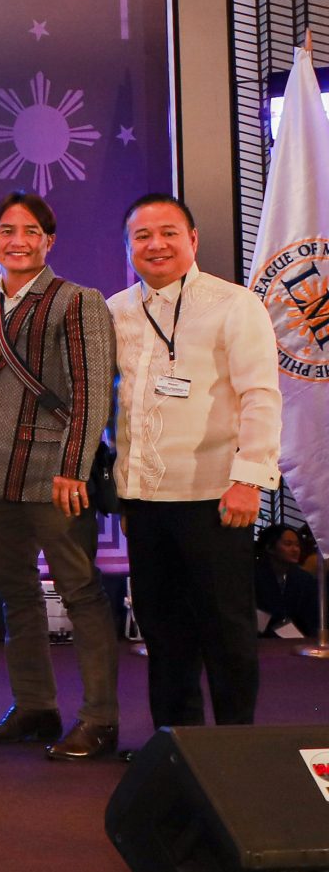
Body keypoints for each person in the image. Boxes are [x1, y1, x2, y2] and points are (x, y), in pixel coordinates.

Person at [108, 193, 281, 728]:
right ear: (128, 246)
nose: (155, 244)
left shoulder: (234, 305)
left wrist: (248, 480)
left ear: (193, 240)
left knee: (226, 631)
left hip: (215, 495)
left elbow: (260, 395)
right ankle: (176, 742)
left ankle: (235, 747)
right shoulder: (115, 310)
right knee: (163, 632)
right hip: (145, 499)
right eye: (142, 236)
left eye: (168, 232)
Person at [0, 191, 121, 762]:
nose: (18, 240)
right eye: (7, 231)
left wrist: (74, 468)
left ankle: (99, 719)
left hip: (55, 474)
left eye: (31, 231)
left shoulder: (78, 301)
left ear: (48, 241)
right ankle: (34, 707)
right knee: (14, 596)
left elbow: (92, 392)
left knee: (80, 594)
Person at [255, 524, 321, 639]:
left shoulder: (305, 579)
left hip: (300, 640)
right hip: (262, 639)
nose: (295, 550)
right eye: (288, 544)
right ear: (270, 547)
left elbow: (311, 616)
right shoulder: (253, 576)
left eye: (297, 545)